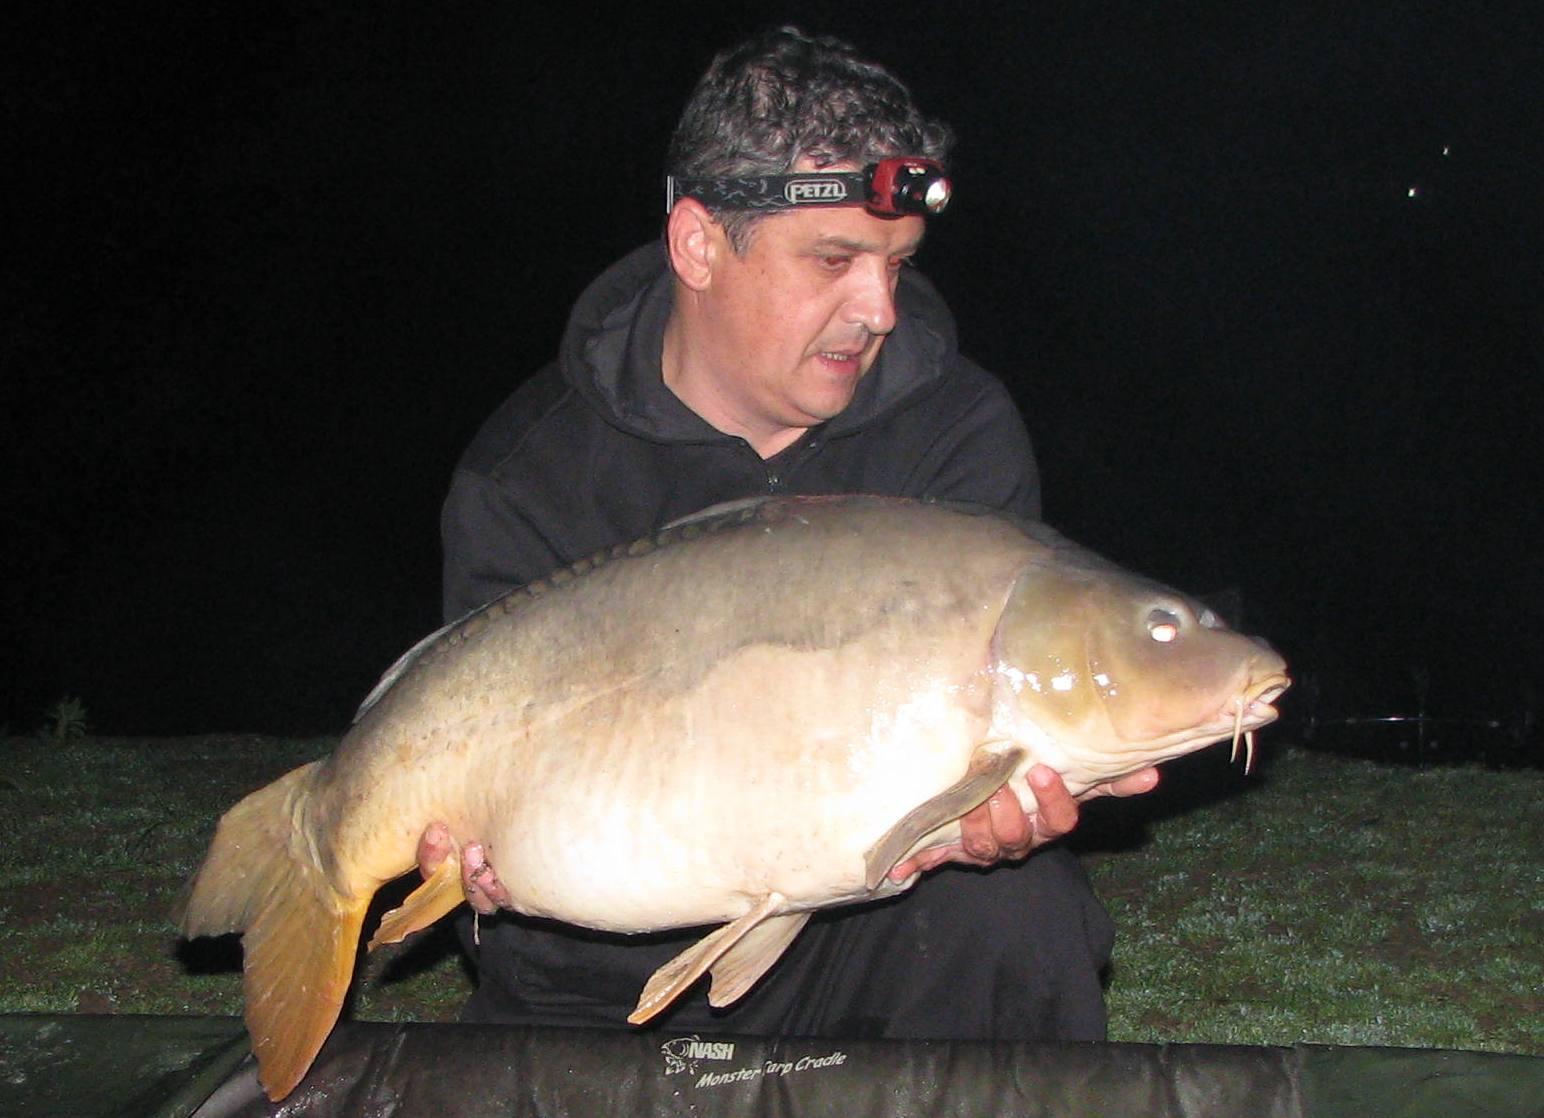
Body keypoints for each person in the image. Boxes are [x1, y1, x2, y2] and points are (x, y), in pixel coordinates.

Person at [418, 25, 1157, 1041]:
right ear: (698, 245)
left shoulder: (953, 430)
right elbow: (465, 779)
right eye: (834, 260)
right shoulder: (529, 472)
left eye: (897, 263)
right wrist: (465, 860)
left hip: (866, 930)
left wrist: (988, 820)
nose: (880, 308)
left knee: (1015, 911)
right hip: (595, 970)